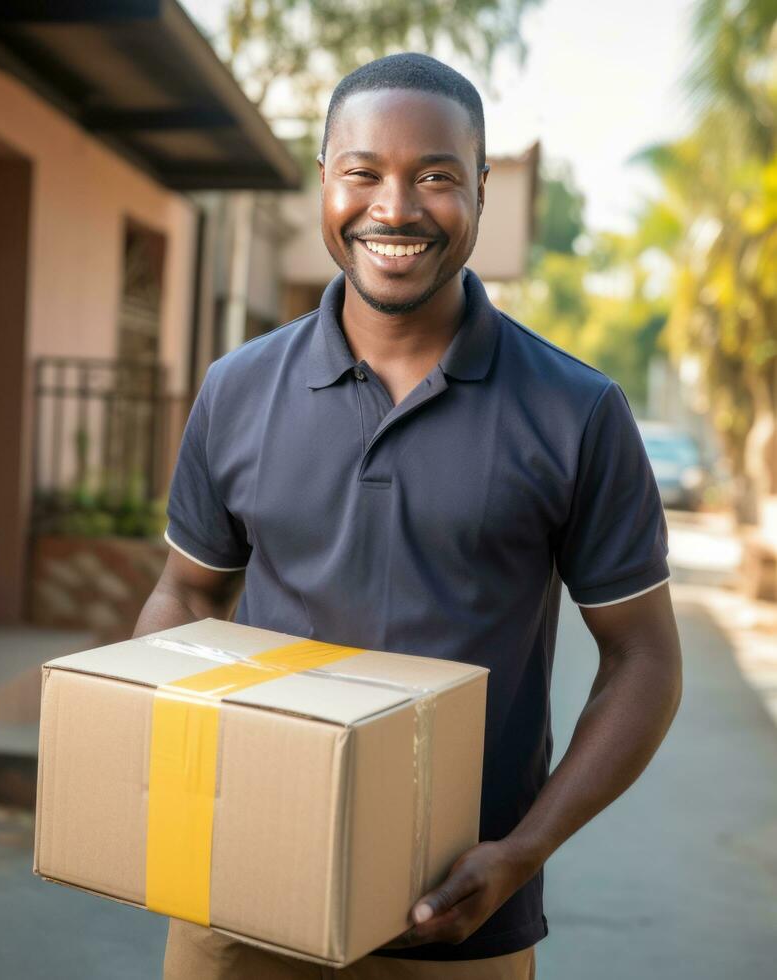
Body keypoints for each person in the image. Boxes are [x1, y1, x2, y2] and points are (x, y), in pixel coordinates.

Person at [134, 52, 683, 980]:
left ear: (481, 188)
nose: (394, 208)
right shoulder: (237, 390)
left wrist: (525, 850)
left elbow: (645, 659)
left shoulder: (576, 411)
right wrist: (165, 764)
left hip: (458, 924)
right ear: (325, 183)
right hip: (238, 906)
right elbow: (186, 596)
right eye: (363, 173)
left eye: (434, 176)